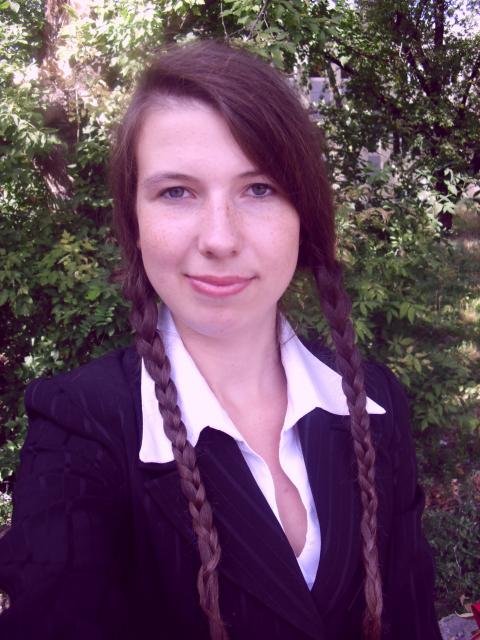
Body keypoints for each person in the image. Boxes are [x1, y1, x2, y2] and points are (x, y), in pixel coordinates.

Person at [0, 40, 442, 640]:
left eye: (258, 189)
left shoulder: (375, 404)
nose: (219, 239)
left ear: (304, 215)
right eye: (176, 192)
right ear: (134, 221)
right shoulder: (80, 430)